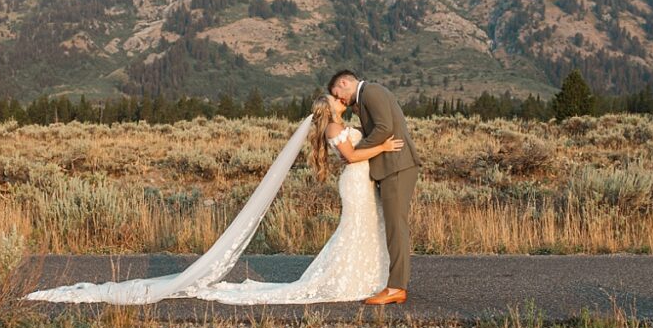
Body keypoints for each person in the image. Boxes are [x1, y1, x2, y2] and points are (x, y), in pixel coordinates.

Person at [22, 92, 406, 305]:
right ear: (331, 109)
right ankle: (347, 280)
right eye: (337, 100)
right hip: (355, 181)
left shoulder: (338, 123)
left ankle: (364, 278)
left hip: (357, 183)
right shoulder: (336, 127)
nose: (342, 100)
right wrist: (385, 144)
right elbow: (353, 156)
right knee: (354, 230)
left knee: (361, 230)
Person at [328, 70, 420, 304]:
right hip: (391, 167)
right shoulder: (366, 97)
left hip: (397, 165)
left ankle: (397, 287)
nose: (340, 100)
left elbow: (384, 129)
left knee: (395, 225)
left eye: (337, 93)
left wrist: (356, 151)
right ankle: (392, 283)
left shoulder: (371, 92)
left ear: (344, 82)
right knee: (390, 225)